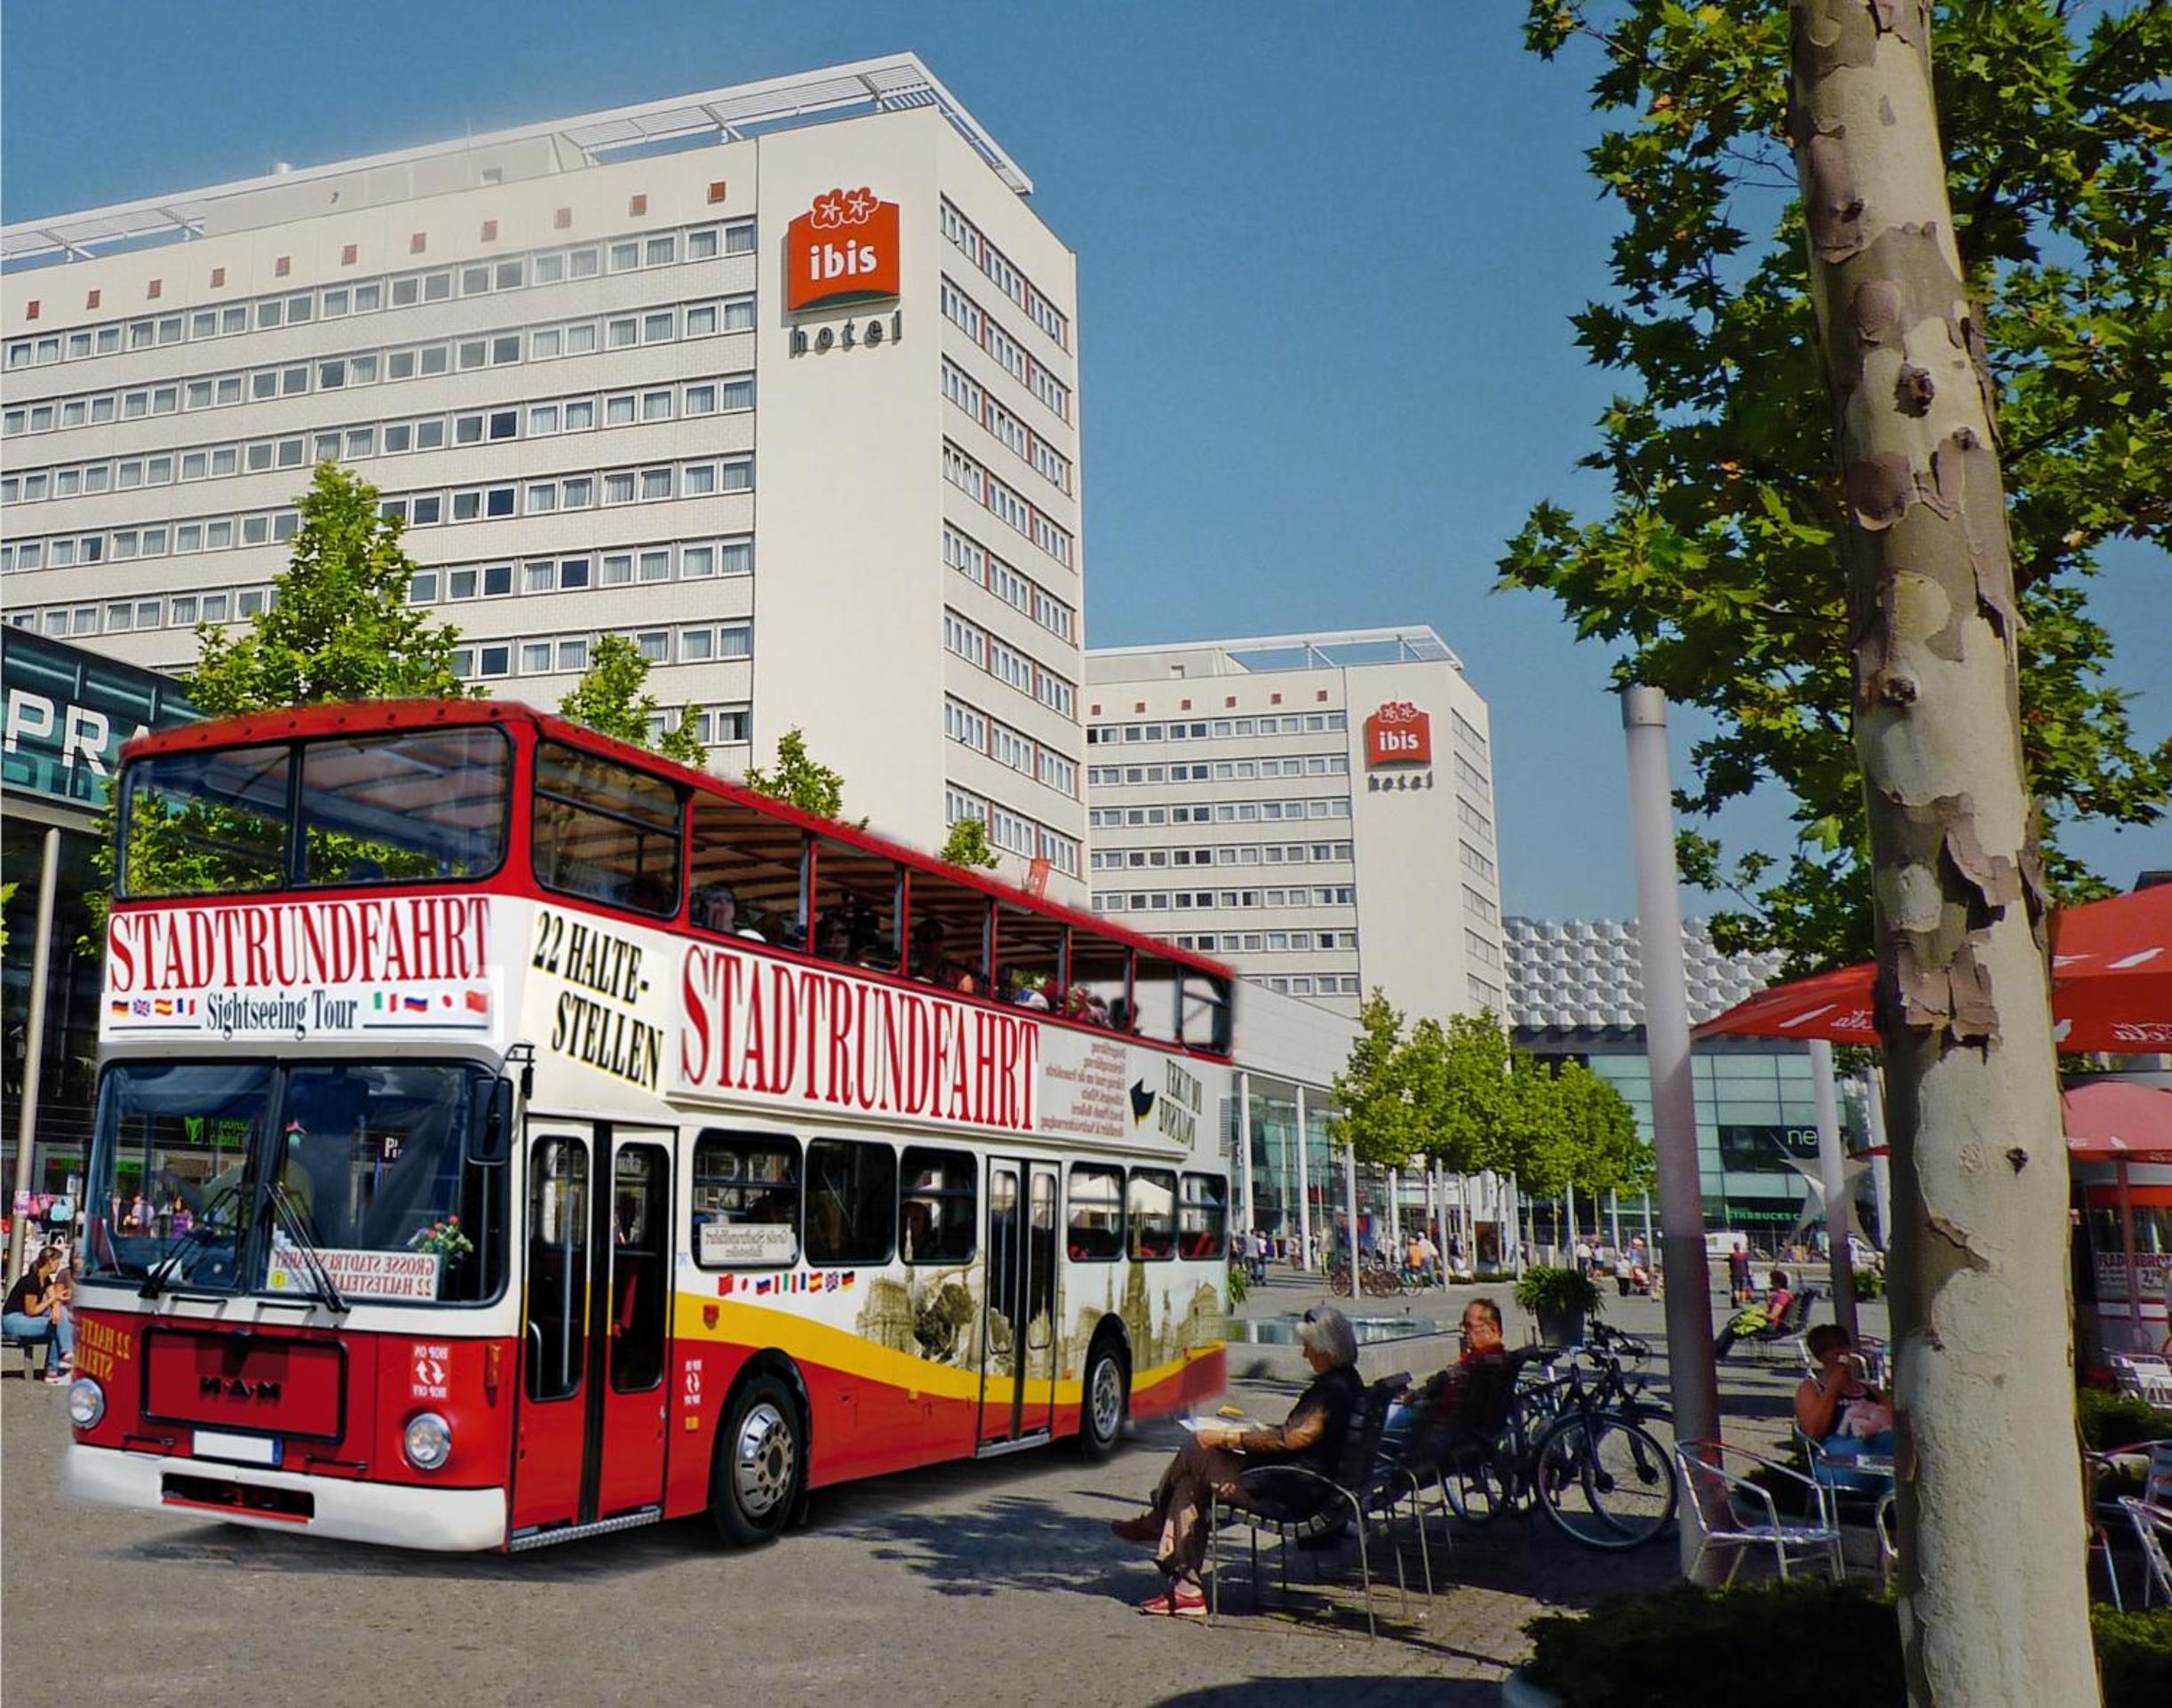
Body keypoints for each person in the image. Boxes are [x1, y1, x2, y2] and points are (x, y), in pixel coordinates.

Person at [1110, 1305, 1364, 1616]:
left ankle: (1157, 1521)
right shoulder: (1348, 1382)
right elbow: (1296, 1435)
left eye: (1308, 1347)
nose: (1304, 1355)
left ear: (1326, 1349)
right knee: (1189, 1487)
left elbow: (1293, 1437)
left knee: (1196, 1448)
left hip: (1289, 1493)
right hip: (1301, 1484)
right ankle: (1187, 1590)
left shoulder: (1331, 1390)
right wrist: (1254, 1433)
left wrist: (1229, 1438)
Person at [1795, 1323, 1895, 1489]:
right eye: (1829, 1349)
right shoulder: (1811, 1388)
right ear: (1820, 1357)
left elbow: (1894, 1424)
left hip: (1877, 1456)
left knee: (1895, 1447)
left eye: (1842, 1345)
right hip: (1834, 1458)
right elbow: (1813, 1432)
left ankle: (1895, 1507)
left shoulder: (1871, 1390)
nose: (1838, 1352)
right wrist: (1833, 1388)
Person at [4, 1246, 75, 1384]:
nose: (58, 1264)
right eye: (57, 1261)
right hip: (13, 1320)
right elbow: (31, 1311)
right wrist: (53, 1301)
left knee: (59, 1318)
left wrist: (56, 1307)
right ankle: (55, 1367)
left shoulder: (46, 1279)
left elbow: (54, 1300)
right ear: (49, 1261)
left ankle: (59, 1363)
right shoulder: (32, 1280)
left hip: (25, 1318)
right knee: (56, 1325)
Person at [1714, 1267, 1794, 1358]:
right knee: (1734, 1325)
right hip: (1777, 1325)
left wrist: (1757, 1314)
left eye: (1772, 1282)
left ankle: (1718, 1351)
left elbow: (1772, 1316)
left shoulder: (1781, 1297)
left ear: (1778, 1283)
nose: (1770, 1284)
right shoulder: (1786, 1295)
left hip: (1772, 1326)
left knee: (1733, 1328)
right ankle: (1717, 1349)